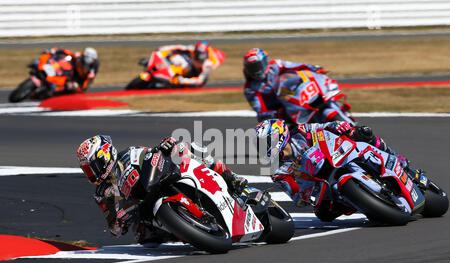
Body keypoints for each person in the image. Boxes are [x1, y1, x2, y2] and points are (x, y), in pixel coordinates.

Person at [76, 135, 247, 243]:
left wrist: (166, 145)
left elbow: (153, 153)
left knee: (187, 147)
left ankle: (231, 177)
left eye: (93, 166)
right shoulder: (102, 193)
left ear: (104, 155)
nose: (92, 173)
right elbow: (114, 228)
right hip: (143, 210)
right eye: (88, 170)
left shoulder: (129, 154)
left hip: (161, 180)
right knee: (144, 238)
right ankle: (185, 231)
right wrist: (120, 221)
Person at [255, 119, 412, 222]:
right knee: (323, 214)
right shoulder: (276, 172)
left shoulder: (301, 131)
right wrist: (303, 196)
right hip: (320, 185)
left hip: (337, 154)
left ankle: (399, 160)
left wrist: (337, 126)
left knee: (363, 132)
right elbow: (295, 195)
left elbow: (323, 127)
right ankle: (363, 203)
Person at [243, 48, 327, 122]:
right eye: (252, 68)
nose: (256, 70)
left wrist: (314, 68)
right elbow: (260, 111)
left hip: (292, 98)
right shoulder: (250, 89)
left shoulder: (276, 65)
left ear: (265, 62)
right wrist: (276, 114)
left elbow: (296, 66)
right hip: (279, 113)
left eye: (257, 66)